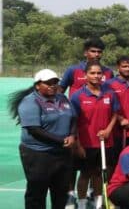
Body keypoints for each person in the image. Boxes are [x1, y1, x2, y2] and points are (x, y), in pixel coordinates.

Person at [8, 69, 76, 209]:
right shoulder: (30, 102)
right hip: (38, 154)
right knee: (37, 192)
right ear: (38, 85)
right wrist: (62, 141)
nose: (52, 85)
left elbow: (73, 118)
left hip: (62, 153)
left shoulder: (62, 98)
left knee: (61, 192)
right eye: (47, 83)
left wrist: (72, 135)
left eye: (55, 82)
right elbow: (35, 130)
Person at [70, 62, 119, 209]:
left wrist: (109, 130)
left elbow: (115, 114)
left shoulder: (110, 93)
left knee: (99, 173)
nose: (96, 76)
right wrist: (78, 145)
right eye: (92, 73)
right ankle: (82, 203)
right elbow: (73, 122)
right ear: (85, 75)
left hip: (105, 142)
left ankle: (98, 203)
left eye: (99, 73)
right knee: (85, 174)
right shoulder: (77, 96)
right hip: (86, 143)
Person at [104, 56, 129, 159]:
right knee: (115, 161)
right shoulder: (109, 84)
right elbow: (106, 107)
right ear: (118, 67)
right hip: (116, 131)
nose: (128, 69)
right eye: (124, 66)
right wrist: (120, 119)